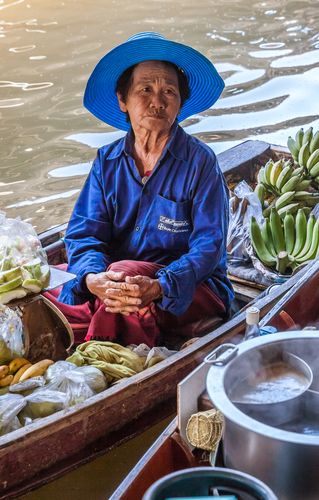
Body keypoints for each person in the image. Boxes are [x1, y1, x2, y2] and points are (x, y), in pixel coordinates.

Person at [46, 32, 234, 348]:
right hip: (120, 284)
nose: (157, 101)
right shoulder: (107, 161)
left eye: (169, 91)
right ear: (123, 100)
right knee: (43, 285)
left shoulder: (200, 162)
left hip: (187, 286)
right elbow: (84, 235)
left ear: (180, 104)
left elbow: (209, 247)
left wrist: (160, 285)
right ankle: (106, 312)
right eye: (145, 89)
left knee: (122, 283)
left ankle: (104, 348)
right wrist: (93, 279)